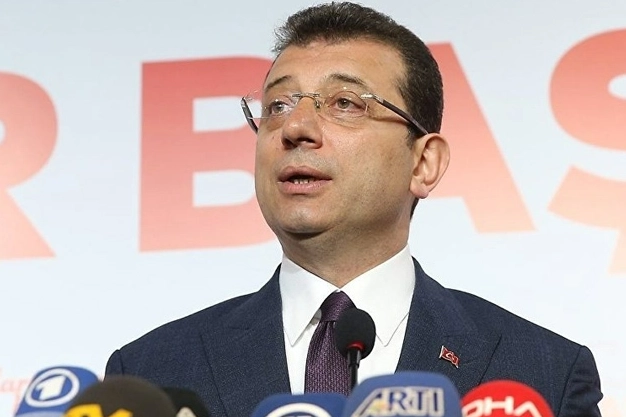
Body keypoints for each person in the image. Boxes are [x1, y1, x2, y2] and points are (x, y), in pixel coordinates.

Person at [105, 3, 603, 416]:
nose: (295, 128)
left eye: (345, 103)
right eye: (277, 106)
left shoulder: (544, 374)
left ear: (424, 163)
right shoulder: (150, 376)